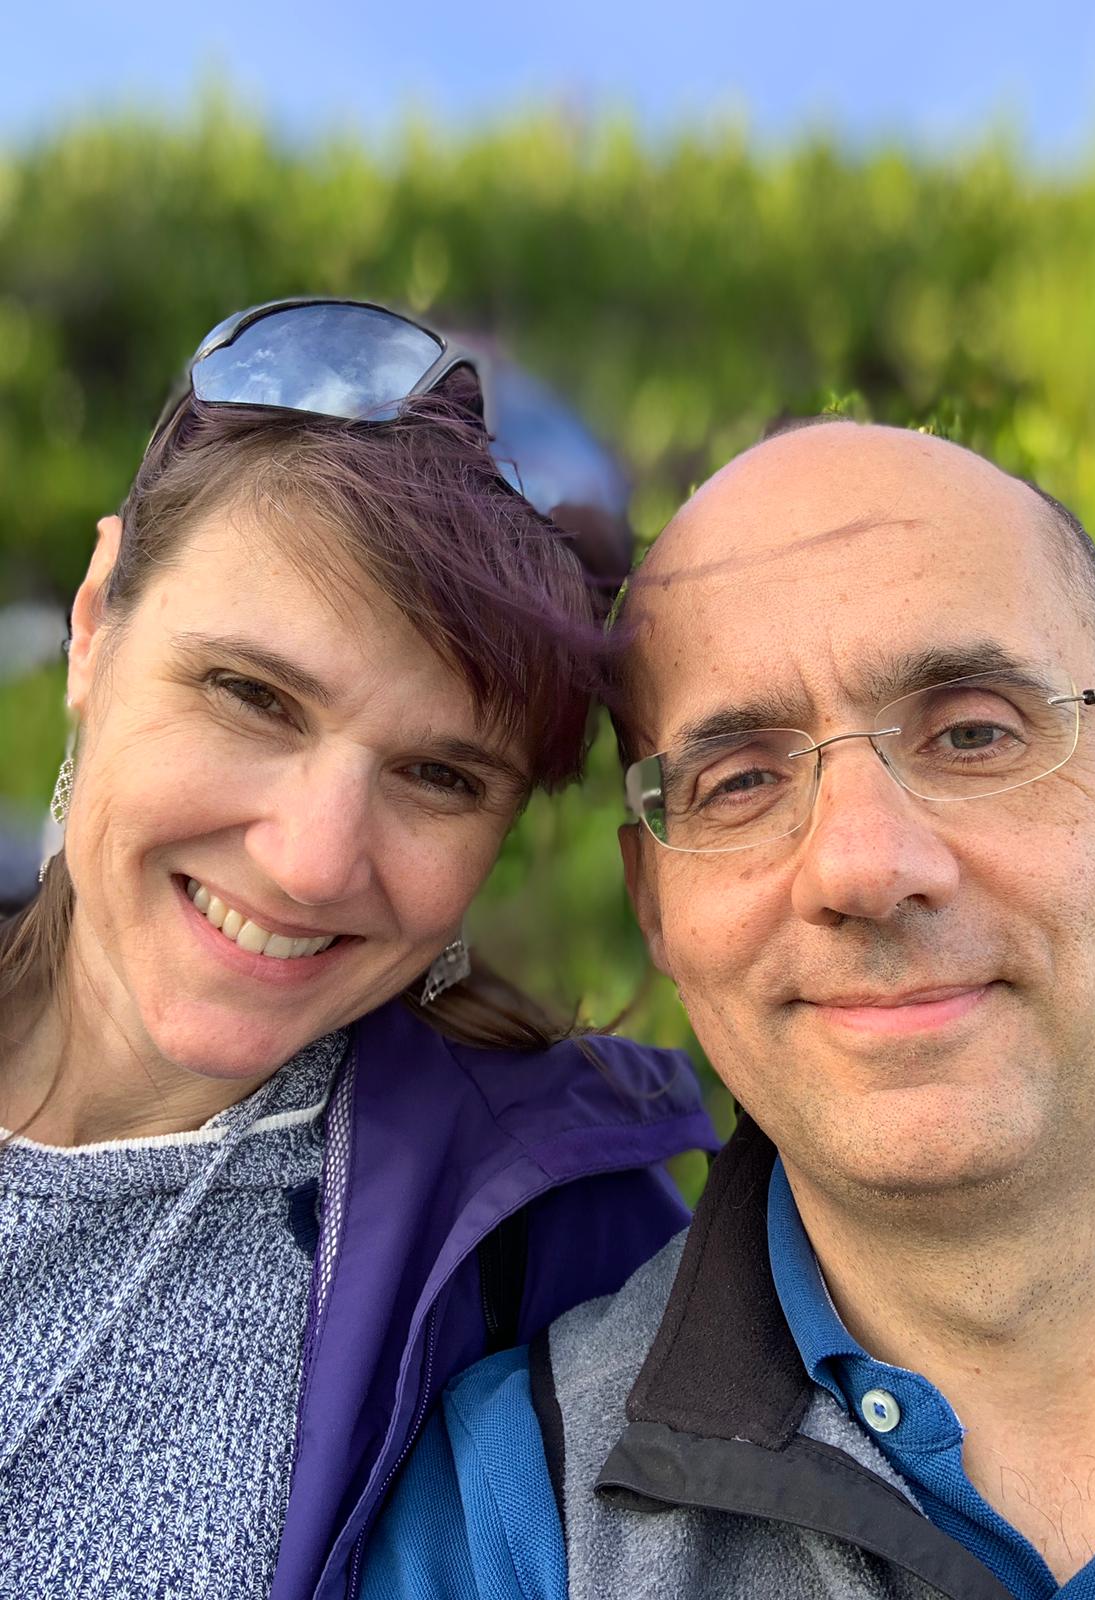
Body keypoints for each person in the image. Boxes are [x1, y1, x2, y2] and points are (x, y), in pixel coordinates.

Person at [370, 418, 1095, 1600]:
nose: (862, 866)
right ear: (655, 903)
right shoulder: (511, 1522)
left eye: (973, 732)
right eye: (741, 780)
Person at [0, 298, 716, 1600]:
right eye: (252, 695)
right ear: (96, 623)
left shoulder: (561, 1262)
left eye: (441, 775)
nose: (314, 861)